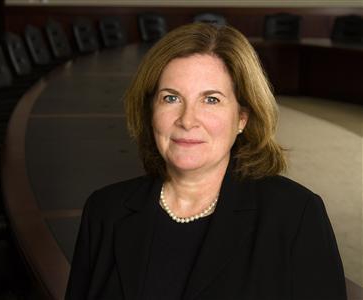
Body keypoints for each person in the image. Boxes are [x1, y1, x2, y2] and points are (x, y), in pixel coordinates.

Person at [65, 22, 347, 300]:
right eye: (171, 98)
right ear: (150, 109)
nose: (187, 120)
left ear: (242, 118)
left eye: (211, 100)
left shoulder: (294, 215)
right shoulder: (105, 211)